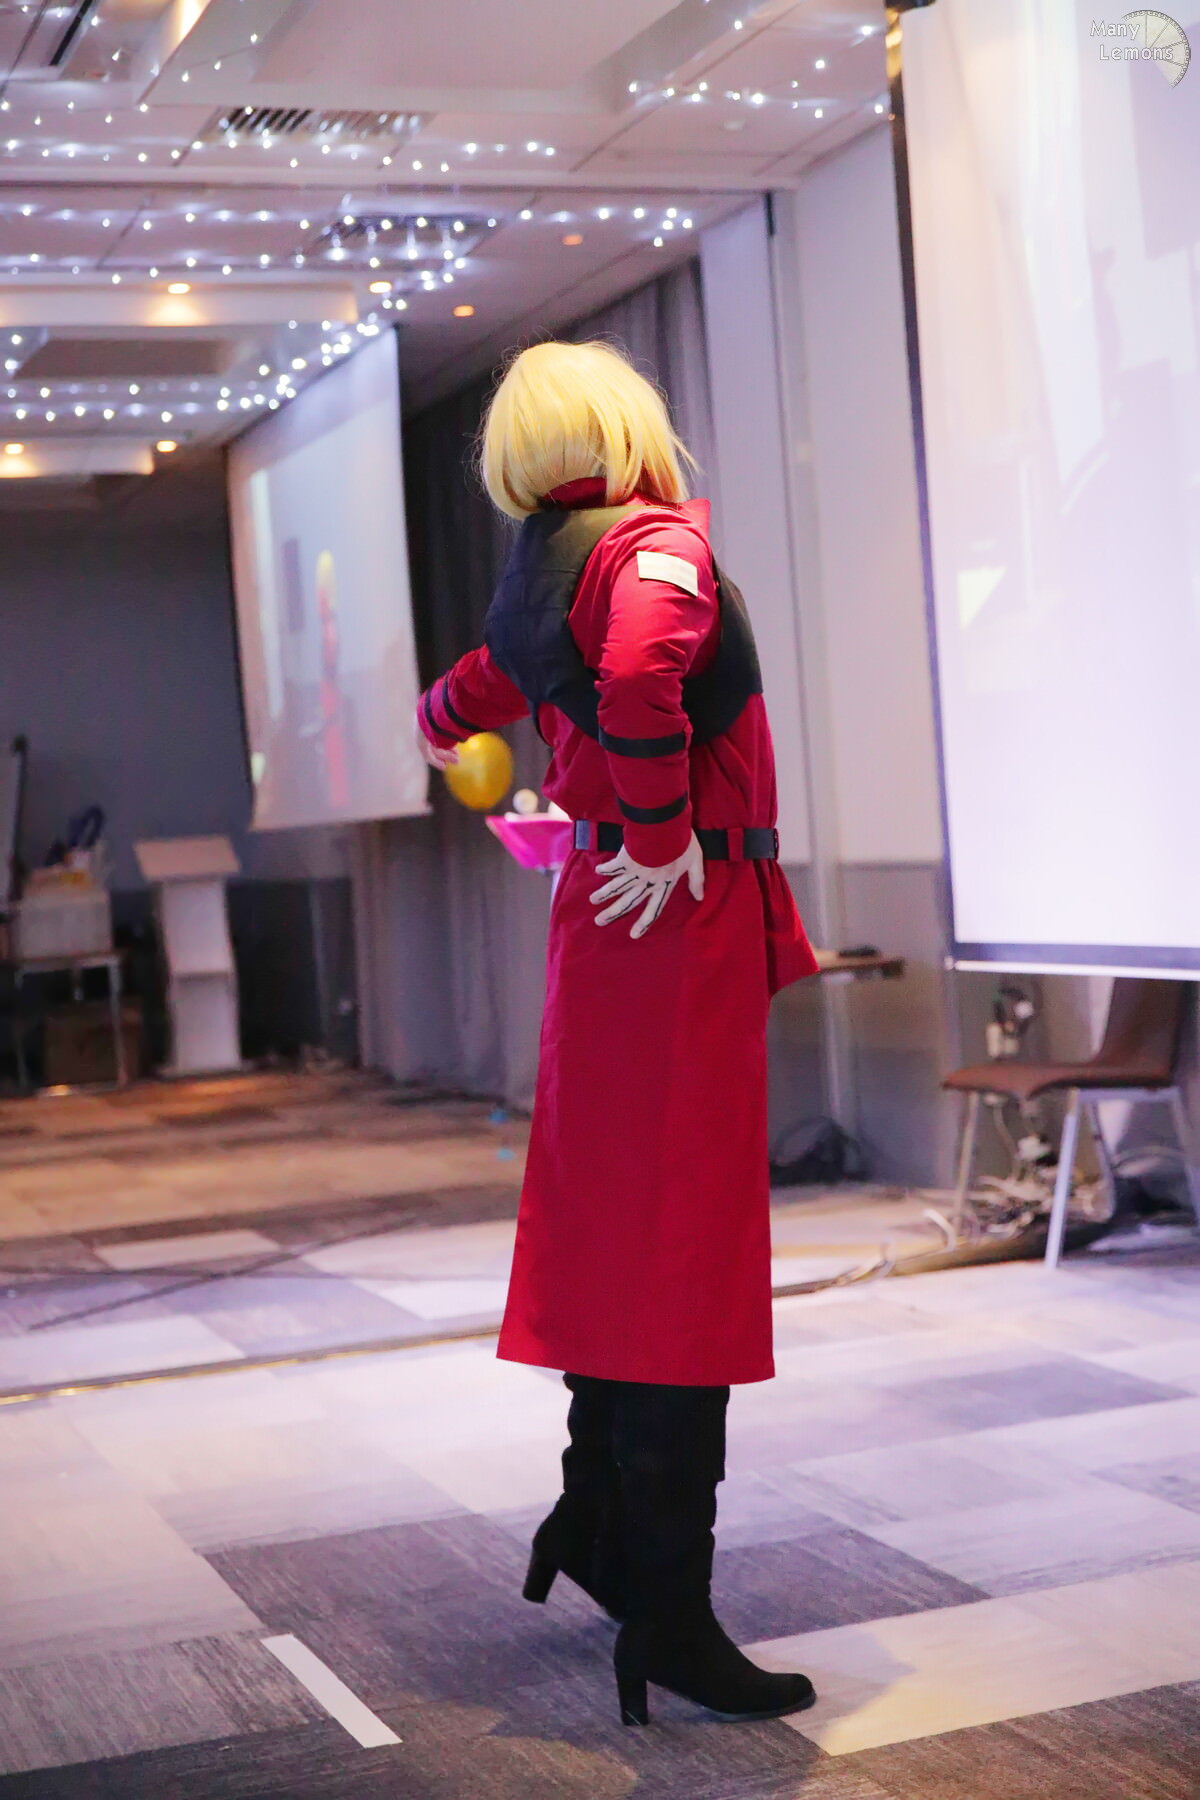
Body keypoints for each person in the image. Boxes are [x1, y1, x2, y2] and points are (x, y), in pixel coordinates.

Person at [415, 339, 819, 1727]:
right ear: (626, 423)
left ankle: (595, 1522)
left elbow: (464, 694)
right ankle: (669, 1614)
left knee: (618, 1241)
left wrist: (460, 729)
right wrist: (655, 829)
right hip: (669, 919)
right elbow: (645, 680)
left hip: (605, 931)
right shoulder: (651, 549)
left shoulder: (542, 566)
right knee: (683, 1256)